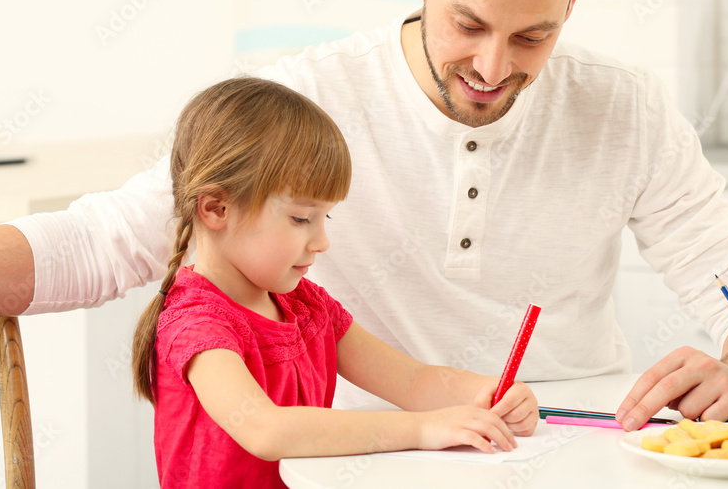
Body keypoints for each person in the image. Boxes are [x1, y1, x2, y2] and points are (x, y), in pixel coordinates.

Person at [0, 0, 728, 431]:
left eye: (531, 39)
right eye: (467, 23)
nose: (489, 66)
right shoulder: (309, 100)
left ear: (571, 7)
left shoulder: (626, 110)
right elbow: (108, 241)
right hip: (372, 451)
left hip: (570, 440)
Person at [133, 77, 537, 488]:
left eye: (325, 218)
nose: (321, 242)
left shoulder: (307, 306)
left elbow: (412, 381)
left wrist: (486, 392)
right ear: (217, 208)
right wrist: (420, 429)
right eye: (301, 219)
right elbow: (264, 430)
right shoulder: (197, 324)